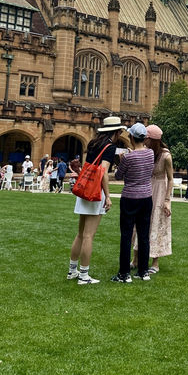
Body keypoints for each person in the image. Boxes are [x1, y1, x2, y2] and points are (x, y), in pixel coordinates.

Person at [68, 115, 125, 285]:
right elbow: (103, 172)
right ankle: (84, 275)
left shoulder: (93, 143)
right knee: (88, 236)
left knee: (80, 233)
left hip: (84, 190)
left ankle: (72, 270)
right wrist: (107, 196)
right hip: (94, 192)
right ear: (116, 132)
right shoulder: (109, 147)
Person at [112, 122, 155, 283]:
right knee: (144, 236)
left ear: (131, 137)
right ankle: (143, 271)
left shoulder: (128, 157)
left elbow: (118, 175)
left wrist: (122, 159)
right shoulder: (150, 153)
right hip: (146, 197)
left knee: (126, 235)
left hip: (130, 197)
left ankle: (124, 273)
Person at [132, 124, 174, 274]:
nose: (144, 141)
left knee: (156, 223)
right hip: (146, 188)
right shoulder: (146, 152)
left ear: (153, 140)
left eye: (147, 139)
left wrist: (167, 200)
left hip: (160, 191)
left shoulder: (166, 156)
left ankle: (155, 262)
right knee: (139, 223)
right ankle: (135, 259)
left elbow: (170, 179)